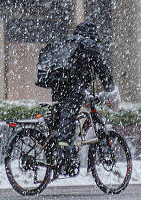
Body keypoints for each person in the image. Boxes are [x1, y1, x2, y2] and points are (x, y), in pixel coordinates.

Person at [50, 21, 120, 174]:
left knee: (62, 121)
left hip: (59, 88)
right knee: (68, 120)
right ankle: (64, 157)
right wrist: (110, 88)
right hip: (73, 89)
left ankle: (57, 154)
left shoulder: (69, 43)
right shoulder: (88, 44)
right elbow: (102, 69)